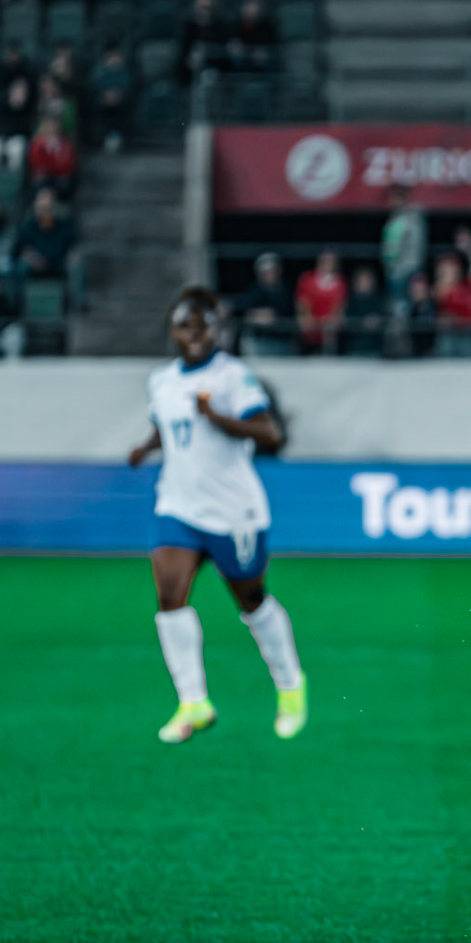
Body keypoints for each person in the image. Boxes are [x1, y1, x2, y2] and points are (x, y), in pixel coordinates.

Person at [126, 289, 308, 744]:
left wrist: (217, 415)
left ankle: (290, 687)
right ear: (173, 330)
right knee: (169, 595)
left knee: (252, 601)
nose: (194, 334)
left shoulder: (233, 378)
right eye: (185, 325)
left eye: (203, 325)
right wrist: (146, 447)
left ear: (216, 329)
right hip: (179, 505)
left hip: (233, 513)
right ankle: (194, 703)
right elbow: (168, 425)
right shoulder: (161, 380)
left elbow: (270, 433)